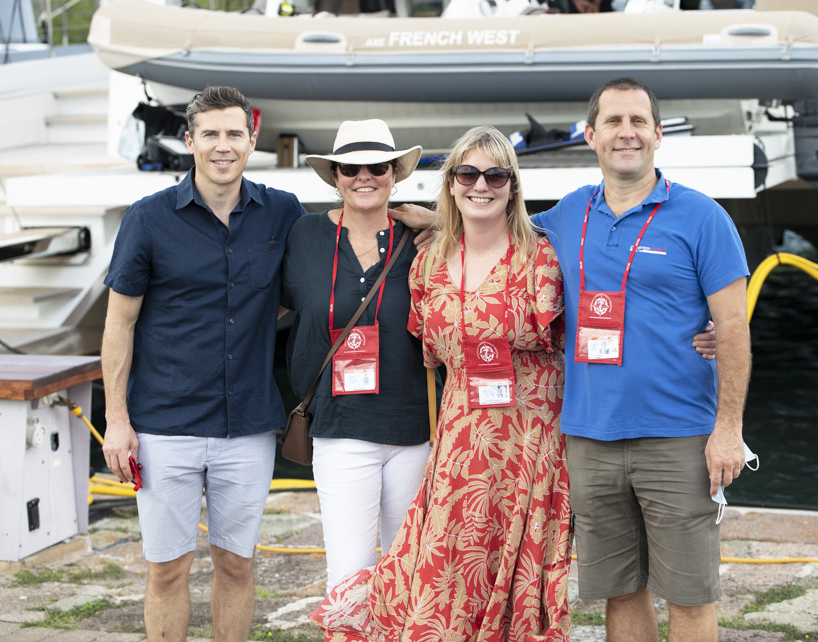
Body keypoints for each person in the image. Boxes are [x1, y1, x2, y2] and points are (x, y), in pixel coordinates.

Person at [310, 125, 571, 641]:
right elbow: (431, 349)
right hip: (458, 444)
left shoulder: (542, 257)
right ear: (450, 183)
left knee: (515, 577)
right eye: (467, 174)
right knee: (441, 573)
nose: (481, 185)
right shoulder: (428, 264)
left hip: (527, 449)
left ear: (513, 185)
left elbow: (583, 326)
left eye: (496, 175)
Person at [530, 76, 751, 642]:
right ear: (590, 135)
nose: (625, 133)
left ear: (657, 134)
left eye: (637, 122)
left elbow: (732, 326)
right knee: (620, 590)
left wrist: (729, 429)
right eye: (613, 121)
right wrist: (428, 222)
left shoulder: (702, 217)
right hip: (590, 437)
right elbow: (492, 231)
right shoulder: (569, 213)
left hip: (677, 437)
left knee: (689, 594)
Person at [100, 86, 306, 642]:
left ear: (252, 141)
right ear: (189, 141)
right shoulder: (147, 219)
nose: (223, 145)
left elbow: (318, 271)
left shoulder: (282, 212)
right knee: (167, 570)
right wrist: (117, 420)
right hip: (165, 426)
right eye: (210, 134)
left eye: (234, 133)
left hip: (249, 425)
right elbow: (118, 324)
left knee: (236, 565)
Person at [283, 119, 438, 593]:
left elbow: (499, 237)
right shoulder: (304, 236)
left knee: (407, 576)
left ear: (395, 174)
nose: (364, 176)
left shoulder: (425, 238)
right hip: (339, 427)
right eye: (350, 168)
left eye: (377, 166)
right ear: (335, 176)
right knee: (349, 578)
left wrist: (440, 222)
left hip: (414, 430)